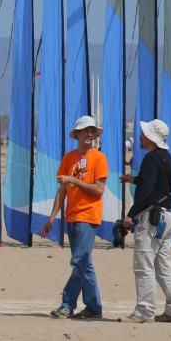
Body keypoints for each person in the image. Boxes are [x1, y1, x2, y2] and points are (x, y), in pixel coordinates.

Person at [41, 115, 109, 319]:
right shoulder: (68, 158)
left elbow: (98, 190)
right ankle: (94, 307)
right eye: (86, 131)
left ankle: (68, 303)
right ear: (77, 134)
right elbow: (62, 191)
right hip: (71, 217)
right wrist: (52, 218)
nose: (90, 134)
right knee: (84, 263)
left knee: (79, 261)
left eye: (92, 131)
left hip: (88, 216)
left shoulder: (99, 158)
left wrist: (73, 180)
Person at [119, 119, 171, 324]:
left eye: (143, 133)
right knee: (164, 264)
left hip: (153, 217)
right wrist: (134, 179)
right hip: (169, 216)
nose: (140, 136)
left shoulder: (150, 158)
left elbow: (146, 192)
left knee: (143, 265)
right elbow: (155, 183)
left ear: (150, 138)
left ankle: (144, 311)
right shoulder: (167, 158)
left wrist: (130, 215)